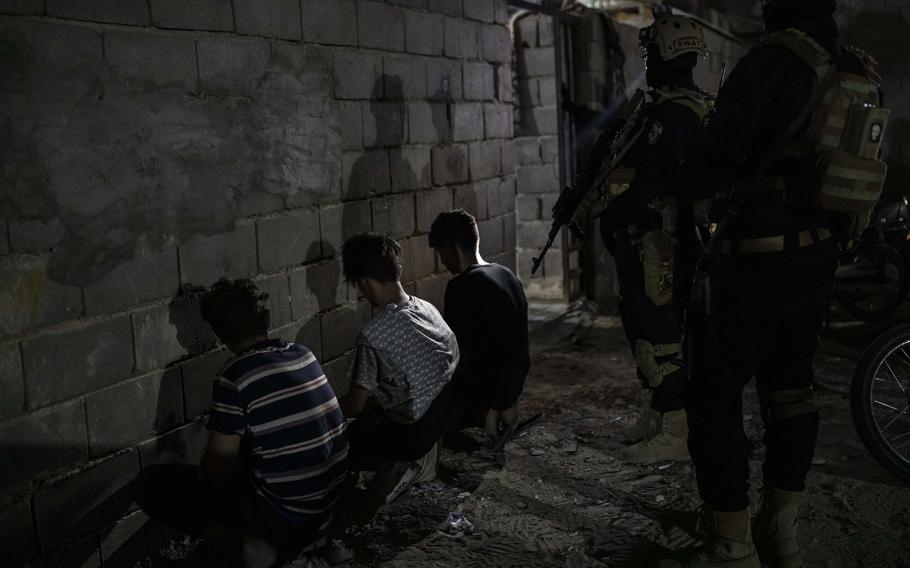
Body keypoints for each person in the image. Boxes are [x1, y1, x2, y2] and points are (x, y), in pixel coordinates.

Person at [669, 1, 887, 566]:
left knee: (714, 393)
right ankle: (781, 532)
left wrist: (688, 179)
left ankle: (730, 539)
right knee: (793, 391)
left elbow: (714, 159)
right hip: (817, 258)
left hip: (754, 258)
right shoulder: (853, 68)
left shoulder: (772, 61)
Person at [573, 12, 712, 464]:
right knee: (642, 329)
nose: (647, 60)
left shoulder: (678, 116)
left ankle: (675, 426)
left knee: (660, 336)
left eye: (651, 52)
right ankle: (659, 410)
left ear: (669, 55)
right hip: (643, 242)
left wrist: (615, 206)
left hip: (661, 245)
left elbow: (663, 185)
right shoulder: (665, 108)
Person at [134, 279, 348, 568]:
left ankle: (253, 546)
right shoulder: (302, 354)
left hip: (288, 513)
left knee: (151, 485)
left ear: (218, 336)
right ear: (267, 319)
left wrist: (203, 475)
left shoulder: (234, 376)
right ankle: (307, 541)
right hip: (329, 499)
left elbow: (218, 467)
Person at [338, 232, 459, 500]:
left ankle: (391, 470)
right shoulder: (427, 309)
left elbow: (355, 404)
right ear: (398, 270)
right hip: (437, 419)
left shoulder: (374, 334)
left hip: (410, 435)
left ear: (362, 282)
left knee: (337, 437)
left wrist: (322, 414)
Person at [428, 209, 531, 453]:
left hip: (488, 391)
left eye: (441, 251)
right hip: (514, 382)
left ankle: (486, 417)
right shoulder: (505, 274)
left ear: (452, 246)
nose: (442, 260)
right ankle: (503, 412)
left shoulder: (462, 287)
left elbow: (456, 355)